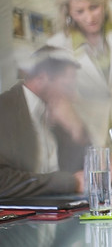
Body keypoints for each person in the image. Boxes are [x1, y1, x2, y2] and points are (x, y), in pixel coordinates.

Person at [47, 0, 112, 149]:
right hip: (85, 139)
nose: (89, 18)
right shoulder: (57, 47)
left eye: (94, 7)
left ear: (104, 3)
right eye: (80, 11)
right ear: (68, 12)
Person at [0, 46, 89, 198]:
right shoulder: (6, 110)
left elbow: (82, 171)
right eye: (67, 85)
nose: (73, 94)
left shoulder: (55, 111)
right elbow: (4, 182)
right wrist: (68, 183)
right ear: (42, 78)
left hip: (55, 211)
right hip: (18, 218)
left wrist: (77, 129)